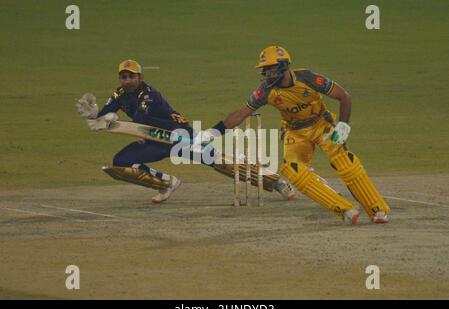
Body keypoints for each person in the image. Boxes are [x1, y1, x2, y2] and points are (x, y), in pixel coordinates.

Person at [196, 46, 390, 224]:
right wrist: (212, 132)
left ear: (283, 66)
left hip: (322, 124)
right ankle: (345, 209)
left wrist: (343, 127)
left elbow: (344, 96)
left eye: (270, 69)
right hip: (294, 131)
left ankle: (377, 209)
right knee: (292, 170)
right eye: (265, 69)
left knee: (344, 161)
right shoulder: (266, 91)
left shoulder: (307, 78)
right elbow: (240, 115)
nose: (267, 74)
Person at [76, 59, 295, 204]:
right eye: (123, 77)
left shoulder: (149, 94)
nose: (127, 81)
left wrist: (112, 122)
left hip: (178, 136)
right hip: (153, 139)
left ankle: (276, 182)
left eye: (131, 76)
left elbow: (140, 119)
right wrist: (95, 114)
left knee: (219, 161)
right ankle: (167, 183)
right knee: (121, 161)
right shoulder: (120, 93)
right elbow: (108, 113)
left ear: (140, 78)